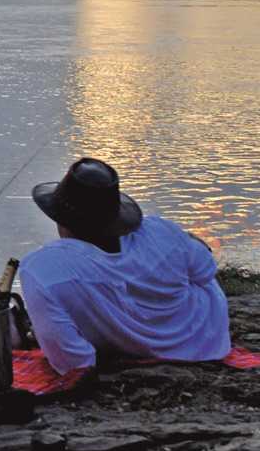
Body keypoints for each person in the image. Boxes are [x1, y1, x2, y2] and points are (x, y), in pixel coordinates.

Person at [18, 158, 230, 375]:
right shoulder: (161, 231)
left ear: (60, 219)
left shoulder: (41, 268)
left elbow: (73, 363)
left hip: (129, 349)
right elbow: (205, 273)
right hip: (207, 342)